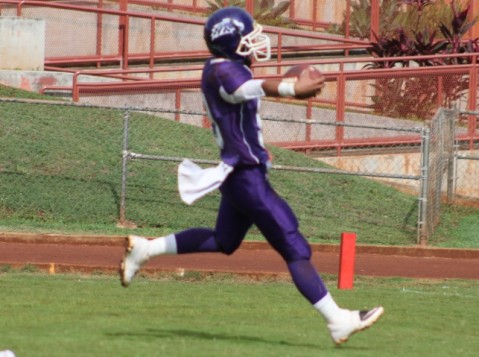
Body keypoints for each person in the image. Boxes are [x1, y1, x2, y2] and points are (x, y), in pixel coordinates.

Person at [120, 6, 383, 345]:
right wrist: (290, 88)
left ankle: (145, 250)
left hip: (241, 172)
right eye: (248, 37)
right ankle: (338, 320)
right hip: (245, 178)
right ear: (230, 42)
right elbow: (245, 90)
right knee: (295, 247)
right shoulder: (223, 72)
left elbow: (246, 99)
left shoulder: (224, 67)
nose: (255, 42)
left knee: (224, 241)